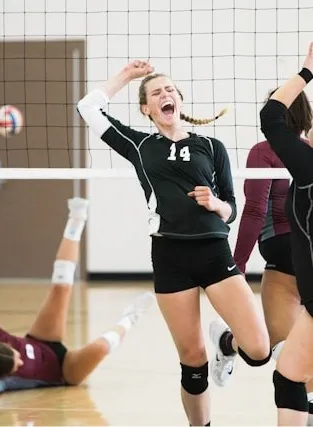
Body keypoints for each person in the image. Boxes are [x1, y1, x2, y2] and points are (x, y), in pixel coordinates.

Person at [77, 61, 271, 426]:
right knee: (192, 358)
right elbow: (88, 107)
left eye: (170, 90)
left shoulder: (211, 146)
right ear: (146, 109)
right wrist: (128, 76)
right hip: (170, 255)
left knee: (259, 350)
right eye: (155, 93)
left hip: (214, 251)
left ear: (179, 100)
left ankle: (225, 344)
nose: (165, 95)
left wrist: (216, 204)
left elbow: (231, 208)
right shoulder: (139, 145)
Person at [0, 197, 155, 399]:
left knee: (60, 288)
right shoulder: (3, 378)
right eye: (16, 366)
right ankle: (130, 318)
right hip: (64, 371)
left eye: (16, 356)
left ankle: (77, 218)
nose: (20, 362)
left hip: (42, 340)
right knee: (100, 348)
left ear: (4, 346)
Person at [234, 89, 313, 422]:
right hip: (292, 262)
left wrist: (235, 267)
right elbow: (254, 210)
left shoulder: (295, 156)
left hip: (285, 257)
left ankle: (227, 341)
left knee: (283, 362)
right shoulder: (293, 154)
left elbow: (253, 211)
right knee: (289, 365)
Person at [259, 42, 313, 426]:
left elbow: (272, 116)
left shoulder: (308, 166)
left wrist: (308, 70)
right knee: (290, 375)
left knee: (290, 376)